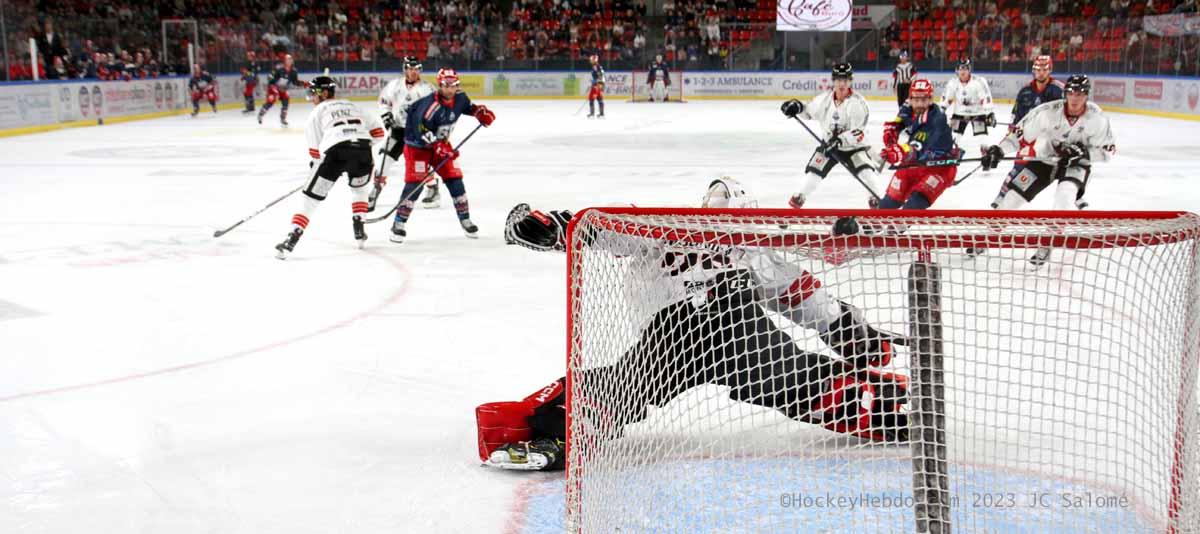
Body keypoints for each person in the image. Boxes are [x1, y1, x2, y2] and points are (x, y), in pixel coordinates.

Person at [480, 178, 909, 471]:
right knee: (625, 387)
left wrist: (855, 336)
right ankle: (552, 428)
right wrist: (556, 227)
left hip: (732, 322)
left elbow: (801, 296)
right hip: (679, 329)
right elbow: (607, 229)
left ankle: (894, 404)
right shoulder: (669, 226)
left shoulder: (746, 244)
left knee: (796, 380)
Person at [979, 75, 1116, 265]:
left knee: (1065, 198)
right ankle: (987, 236)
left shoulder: (1097, 118)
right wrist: (999, 150)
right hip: (1044, 160)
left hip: (1075, 165)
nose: (1075, 98)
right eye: (1071, 93)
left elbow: (1108, 152)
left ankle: (1048, 243)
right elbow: (1018, 136)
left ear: (1086, 95)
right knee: (1012, 198)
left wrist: (1085, 154)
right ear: (1065, 93)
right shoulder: (1047, 112)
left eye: (1080, 94)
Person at [274, 76, 387, 259]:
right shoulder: (353, 105)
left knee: (310, 200)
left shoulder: (317, 112)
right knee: (359, 191)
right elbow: (379, 132)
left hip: (336, 153)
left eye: (314, 93)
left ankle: (291, 239)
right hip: (363, 152)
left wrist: (330, 164)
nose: (312, 98)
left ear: (324, 93)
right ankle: (359, 229)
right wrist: (357, 147)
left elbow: (315, 152)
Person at [389, 68, 495, 243]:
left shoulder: (460, 97)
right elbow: (420, 130)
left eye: (454, 85)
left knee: (455, 179)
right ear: (440, 85)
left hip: (441, 145)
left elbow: (467, 107)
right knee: (415, 184)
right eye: (446, 85)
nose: (450, 89)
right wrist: (438, 147)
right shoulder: (429, 106)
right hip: (417, 147)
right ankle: (399, 223)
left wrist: (479, 113)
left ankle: (465, 219)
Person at [780, 62, 882, 209]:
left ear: (850, 81)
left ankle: (876, 202)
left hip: (853, 147)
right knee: (814, 172)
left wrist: (840, 141)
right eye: (839, 79)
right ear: (833, 80)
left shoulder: (858, 103)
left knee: (866, 172)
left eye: (845, 80)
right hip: (829, 145)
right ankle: (798, 199)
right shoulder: (824, 100)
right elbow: (808, 112)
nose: (842, 84)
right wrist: (797, 107)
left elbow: (859, 132)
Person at [984, 55, 1066, 208]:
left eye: (1044, 69)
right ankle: (1000, 201)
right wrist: (1011, 133)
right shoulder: (1025, 92)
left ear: (1050, 70)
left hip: (1049, 143)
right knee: (1017, 170)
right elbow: (1016, 117)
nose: (1040, 73)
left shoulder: (1059, 90)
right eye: (1038, 69)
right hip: (1027, 138)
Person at [878, 79, 959, 210]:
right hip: (913, 164)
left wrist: (898, 152)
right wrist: (892, 132)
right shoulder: (907, 107)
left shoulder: (937, 118)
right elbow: (899, 122)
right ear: (910, 99)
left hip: (939, 167)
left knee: (913, 207)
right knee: (887, 205)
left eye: (924, 100)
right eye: (916, 99)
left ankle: (900, 224)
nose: (920, 104)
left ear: (931, 100)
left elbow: (917, 147)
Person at [371, 57, 435, 211]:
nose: (413, 72)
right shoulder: (394, 85)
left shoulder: (428, 88)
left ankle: (433, 187)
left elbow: (436, 109)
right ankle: (375, 190)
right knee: (384, 159)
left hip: (417, 132)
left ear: (420, 70)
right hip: (398, 130)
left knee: (420, 164)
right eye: (410, 68)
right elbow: (384, 102)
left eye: (416, 69)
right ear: (405, 69)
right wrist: (387, 118)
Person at [942, 59, 996, 145]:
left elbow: (986, 97)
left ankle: (985, 151)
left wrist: (990, 113)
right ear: (957, 70)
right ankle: (953, 151)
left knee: (983, 140)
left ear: (969, 70)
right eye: (961, 68)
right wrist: (942, 110)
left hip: (977, 113)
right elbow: (947, 98)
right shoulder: (953, 83)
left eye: (965, 68)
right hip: (959, 114)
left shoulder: (979, 81)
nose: (963, 71)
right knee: (952, 139)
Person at [258, 54, 306, 127]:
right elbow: (270, 77)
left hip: (283, 89)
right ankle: (261, 114)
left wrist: (304, 84)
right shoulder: (278, 68)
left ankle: (283, 119)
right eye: (288, 59)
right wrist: (275, 82)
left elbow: (295, 82)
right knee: (272, 99)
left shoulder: (294, 71)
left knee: (286, 99)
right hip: (273, 87)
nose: (290, 61)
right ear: (285, 61)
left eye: (291, 59)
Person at [587, 54, 606, 118]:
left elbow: (600, 75)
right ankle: (602, 114)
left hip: (597, 85)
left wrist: (597, 82)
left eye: (591, 60)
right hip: (600, 84)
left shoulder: (596, 66)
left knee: (591, 98)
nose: (590, 61)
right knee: (599, 98)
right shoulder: (598, 66)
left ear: (594, 60)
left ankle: (592, 114)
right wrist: (601, 84)